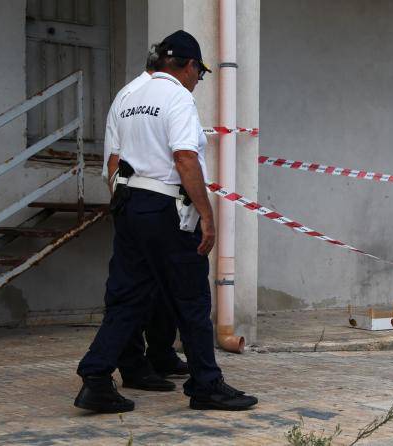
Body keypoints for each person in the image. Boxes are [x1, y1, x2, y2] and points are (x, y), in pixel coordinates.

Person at [74, 30, 257, 413]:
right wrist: (207, 216)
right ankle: (206, 385)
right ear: (189, 66)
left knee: (128, 297)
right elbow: (185, 158)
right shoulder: (177, 97)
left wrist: (122, 207)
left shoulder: (127, 96)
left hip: (128, 202)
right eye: (200, 73)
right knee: (191, 298)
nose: (197, 80)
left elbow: (112, 159)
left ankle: (95, 377)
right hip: (165, 209)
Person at [103, 44, 189, 394]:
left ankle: (161, 352)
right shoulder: (132, 96)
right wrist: (124, 209)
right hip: (142, 204)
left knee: (162, 287)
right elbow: (114, 159)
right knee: (133, 291)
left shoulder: (155, 93)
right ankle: (132, 363)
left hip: (155, 206)